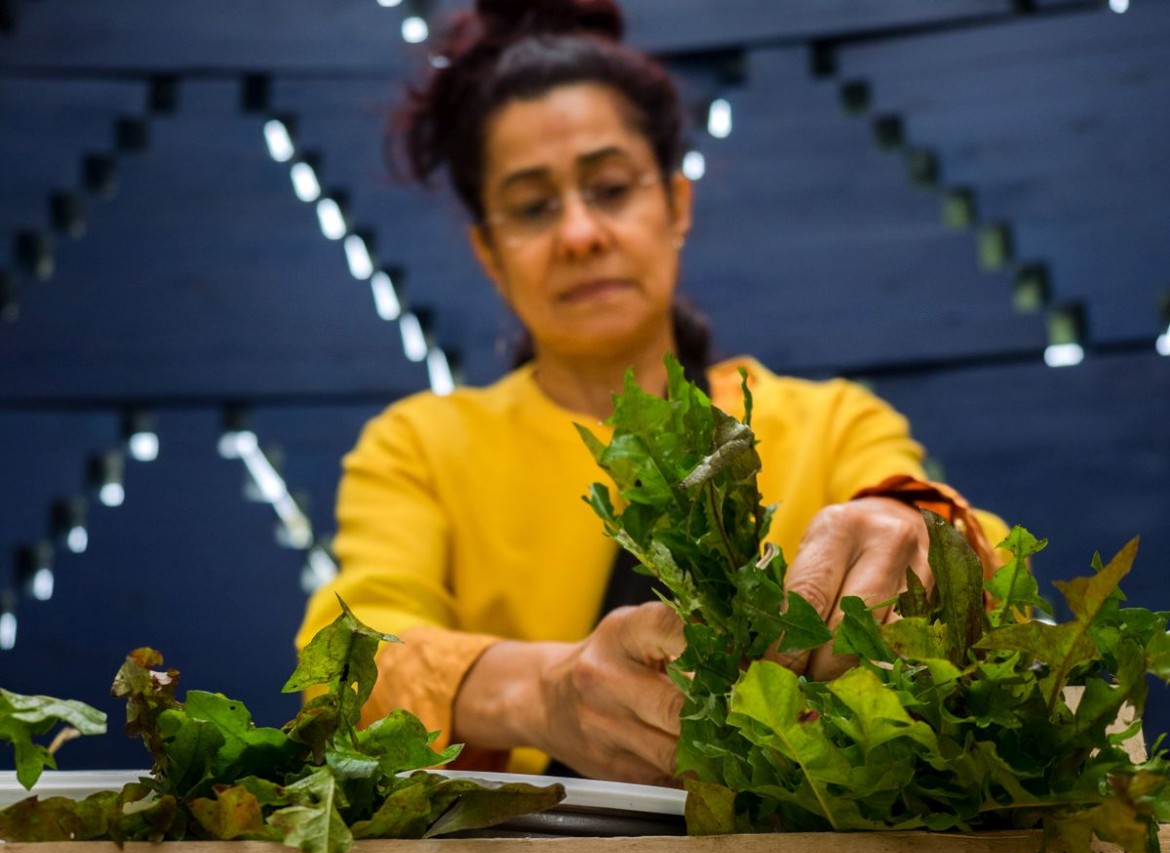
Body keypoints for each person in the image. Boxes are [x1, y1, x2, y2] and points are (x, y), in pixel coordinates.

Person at [296, 0, 1008, 787]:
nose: (579, 234)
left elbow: (980, 555)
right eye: (533, 207)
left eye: (609, 187)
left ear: (676, 204)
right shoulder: (422, 445)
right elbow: (349, 654)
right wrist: (546, 692)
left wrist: (911, 529)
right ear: (490, 254)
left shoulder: (832, 421)